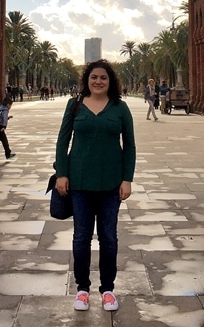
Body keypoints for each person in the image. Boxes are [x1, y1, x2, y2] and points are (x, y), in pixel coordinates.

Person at [55, 60, 136, 313]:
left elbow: (130, 145)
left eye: (103, 77)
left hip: (111, 183)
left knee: (108, 238)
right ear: (86, 80)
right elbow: (62, 140)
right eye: (93, 77)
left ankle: (108, 289)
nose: (98, 81)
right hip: (79, 182)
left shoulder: (120, 108)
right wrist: (62, 174)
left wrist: (127, 179)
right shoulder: (75, 105)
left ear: (110, 81)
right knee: (81, 237)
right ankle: (82, 288)